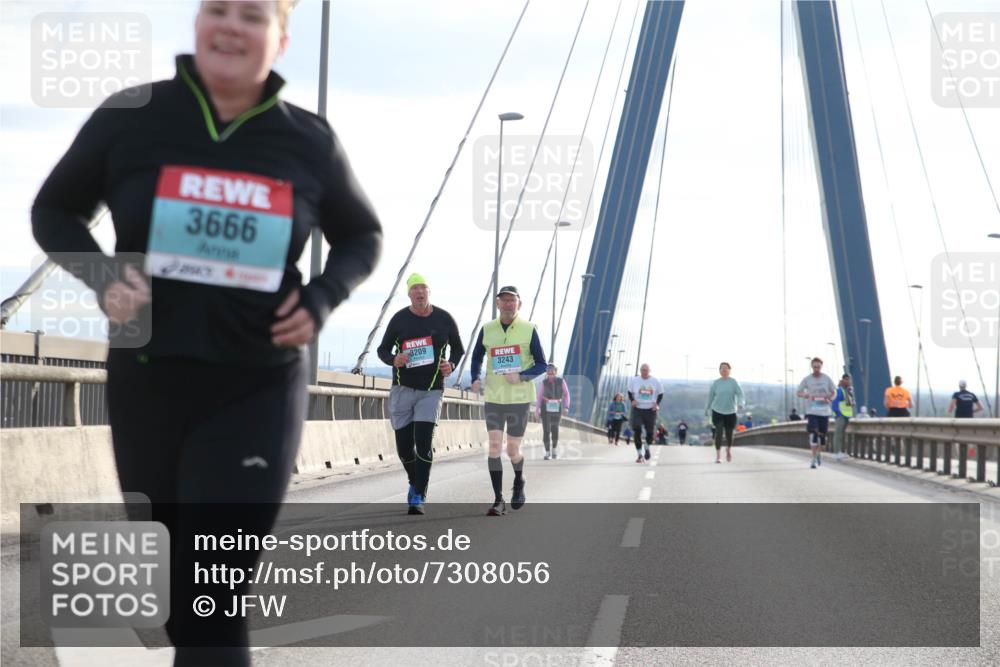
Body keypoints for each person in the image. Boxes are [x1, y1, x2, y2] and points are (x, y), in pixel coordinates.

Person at [31, 2, 382, 663]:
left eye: (252, 15)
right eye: (216, 8)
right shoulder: (132, 114)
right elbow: (53, 208)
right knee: (172, 593)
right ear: (196, 22)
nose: (230, 25)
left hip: (256, 385)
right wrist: (103, 275)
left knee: (214, 594)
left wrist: (324, 295)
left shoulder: (307, 140)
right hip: (147, 380)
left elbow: (361, 234)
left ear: (280, 39)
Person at [377, 273, 463, 515]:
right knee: (404, 448)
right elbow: (382, 349)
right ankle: (415, 481)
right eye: (415, 289)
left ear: (429, 292)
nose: (419, 292)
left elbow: (458, 348)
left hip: (431, 390)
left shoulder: (444, 319)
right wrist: (395, 359)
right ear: (409, 294)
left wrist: (452, 364)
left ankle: (418, 495)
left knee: (424, 443)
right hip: (402, 389)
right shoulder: (399, 319)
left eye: (423, 288)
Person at [470, 286, 547, 516]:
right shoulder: (487, 329)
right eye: (504, 300)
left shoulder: (529, 329)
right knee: (494, 447)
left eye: (512, 301)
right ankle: (498, 500)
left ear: (519, 304)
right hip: (494, 396)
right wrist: (475, 378)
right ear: (498, 304)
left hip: (519, 398)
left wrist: (522, 376)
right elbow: (476, 358)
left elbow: (542, 364)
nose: (508, 304)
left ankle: (519, 479)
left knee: (512, 449)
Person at [796, 358, 837, 469]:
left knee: (823, 439)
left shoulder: (826, 378)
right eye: (814, 367)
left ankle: (819, 453)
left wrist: (830, 399)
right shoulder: (807, 380)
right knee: (814, 434)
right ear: (811, 367)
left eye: (818, 367)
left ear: (821, 367)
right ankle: (813, 459)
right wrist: (806, 395)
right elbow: (798, 392)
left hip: (824, 411)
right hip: (812, 410)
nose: (816, 369)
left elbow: (834, 392)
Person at [705, 362, 745, 463]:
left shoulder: (733, 382)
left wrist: (740, 403)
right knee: (718, 431)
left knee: (729, 433)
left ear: (729, 371)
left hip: (731, 412)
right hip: (717, 411)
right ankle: (718, 456)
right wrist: (707, 408)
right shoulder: (716, 383)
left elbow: (740, 394)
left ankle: (728, 449)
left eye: (726, 369)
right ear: (719, 371)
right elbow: (710, 397)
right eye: (722, 369)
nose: (724, 371)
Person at [627, 363, 664, 463]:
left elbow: (660, 393)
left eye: (646, 370)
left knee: (650, 433)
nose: (644, 372)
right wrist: (632, 400)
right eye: (642, 370)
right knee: (637, 429)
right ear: (640, 371)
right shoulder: (635, 380)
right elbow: (629, 392)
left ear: (649, 371)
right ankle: (640, 455)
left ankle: (647, 446)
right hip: (638, 409)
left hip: (650, 410)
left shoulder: (655, 381)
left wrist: (657, 404)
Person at [535, 364, 570, 460]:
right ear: (546, 372)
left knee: (555, 430)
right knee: (546, 431)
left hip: (557, 408)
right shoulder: (544, 382)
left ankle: (554, 449)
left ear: (555, 371)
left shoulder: (561, 381)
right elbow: (539, 397)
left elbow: (567, 395)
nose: (550, 372)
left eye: (552, 370)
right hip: (545, 408)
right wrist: (537, 410)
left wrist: (566, 407)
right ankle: (547, 453)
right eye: (548, 370)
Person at [831, 373, 855, 460]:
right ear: (844, 380)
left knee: (842, 434)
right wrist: (838, 413)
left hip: (846, 416)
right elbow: (834, 402)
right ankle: (837, 452)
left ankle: (841, 452)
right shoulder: (839, 391)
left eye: (850, 380)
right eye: (848, 380)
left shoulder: (847, 391)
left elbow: (849, 404)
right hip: (840, 416)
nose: (850, 381)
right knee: (838, 434)